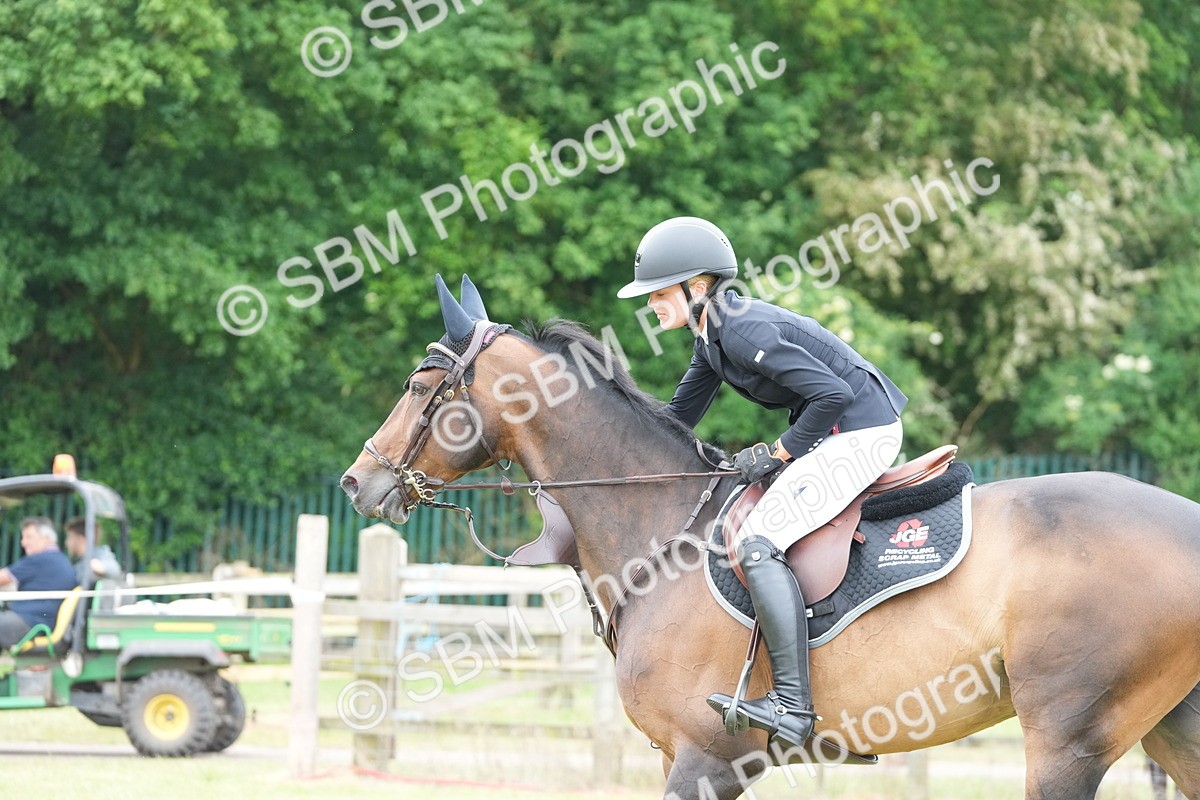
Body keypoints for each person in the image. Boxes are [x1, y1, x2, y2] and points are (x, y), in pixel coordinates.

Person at [618, 216, 908, 751]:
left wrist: (778, 453)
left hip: (863, 433)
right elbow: (676, 418)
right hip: (839, 431)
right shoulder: (711, 337)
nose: (651, 304)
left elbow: (832, 395)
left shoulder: (741, 327)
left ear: (697, 288)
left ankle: (793, 709)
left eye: (659, 293)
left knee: (757, 542)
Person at [0, 516, 79, 648]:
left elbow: (2, 578)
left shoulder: (40, 559)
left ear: (46, 538)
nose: (23, 542)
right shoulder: (60, 560)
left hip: (29, 623)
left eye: (29, 537)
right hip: (40, 623)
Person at [65, 516, 124, 586]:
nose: (67, 542)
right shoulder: (80, 561)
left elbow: (115, 569)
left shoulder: (99, 556)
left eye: (70, 537)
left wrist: (100, 566)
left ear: (80, 539)